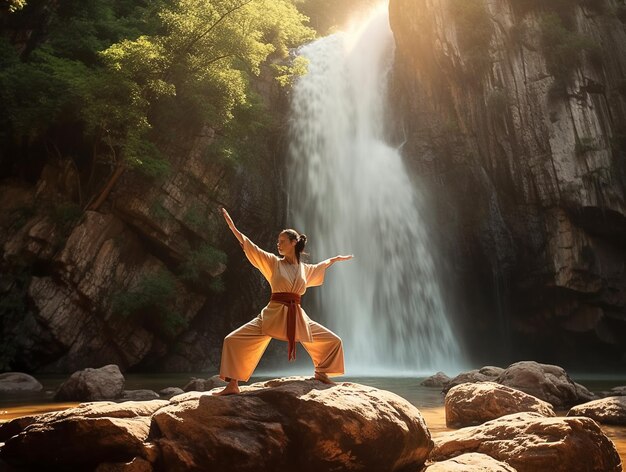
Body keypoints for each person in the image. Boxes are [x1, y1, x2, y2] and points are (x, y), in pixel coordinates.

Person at [213, 207, 354, 396]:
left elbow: (321, 266)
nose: (278, 245)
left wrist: (334, 260)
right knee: (233, 340)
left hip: (297, 317)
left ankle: (321, 372)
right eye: (277, 242)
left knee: (333, 341)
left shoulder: (305, 269)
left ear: (294, 243)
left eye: (282, 241)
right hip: (273, 314)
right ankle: (232, 385)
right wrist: (233, 228)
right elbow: (252, 248)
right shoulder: (273, 262)